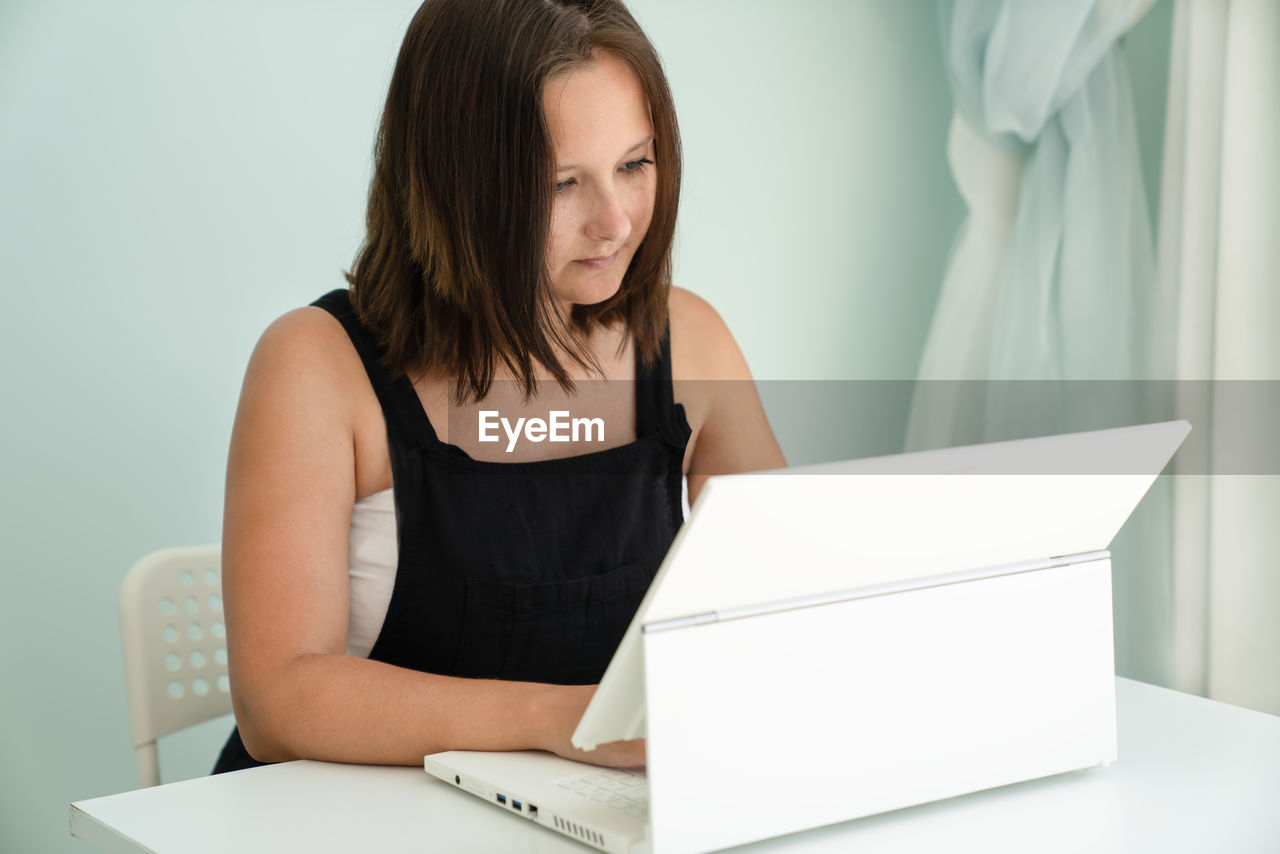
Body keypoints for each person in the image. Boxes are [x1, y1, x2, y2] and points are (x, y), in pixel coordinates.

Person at [213, 0, 784, 774]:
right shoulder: (315, 364)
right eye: (560, 185)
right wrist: (560, 719)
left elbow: (784, 604)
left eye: (634, 164)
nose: (614, 221)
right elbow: (276, 702)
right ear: (454, 185)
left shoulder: (690, 339)